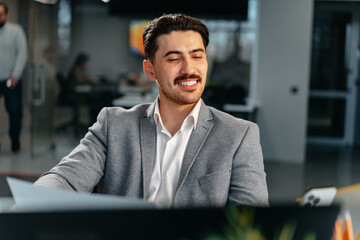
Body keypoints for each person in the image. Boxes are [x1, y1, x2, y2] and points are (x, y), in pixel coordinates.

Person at [35, 13, 268, 208]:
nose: (189, 69)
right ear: (150, 70)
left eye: (197, 56)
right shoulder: (113, 124)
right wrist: (34, 201)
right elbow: (65, 178)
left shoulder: (240, 135)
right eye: (174, 59)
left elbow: (250, 221)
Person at [0, 2, 27, 153]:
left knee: (15, 111)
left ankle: (14, 140)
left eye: (0, 14)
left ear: (6, 15)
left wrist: (15, 75)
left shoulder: (16, 31)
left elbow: (22, 53)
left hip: (12, 80)